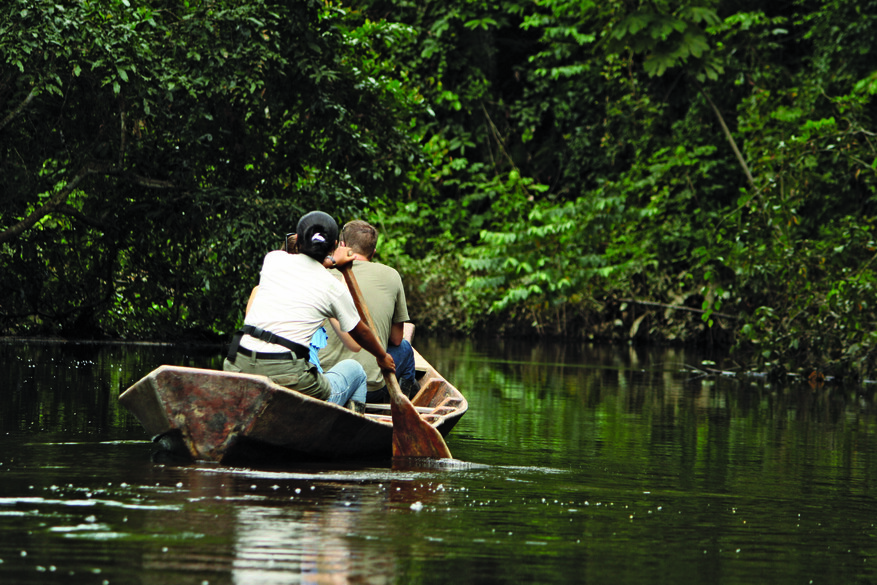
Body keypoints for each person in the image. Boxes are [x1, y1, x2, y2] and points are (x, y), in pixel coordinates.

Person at [223, 211, 395, 411]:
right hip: (289, 375)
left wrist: (331, 261)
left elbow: (305, 266)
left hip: (238, 364)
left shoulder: (273, 259)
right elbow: (360, 333)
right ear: (333, 247)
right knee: (356, 371)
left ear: (298, 240)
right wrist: (382, 356)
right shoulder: (333, 287)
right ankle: (346, 431)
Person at [318, 220, 418, 403]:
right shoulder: (391, 275)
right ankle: (400, 405)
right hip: (372, 388)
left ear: (341, 246)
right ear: (373, 253)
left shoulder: (320, 273)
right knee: (405, 348)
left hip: (323, 382)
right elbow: (396, 339)